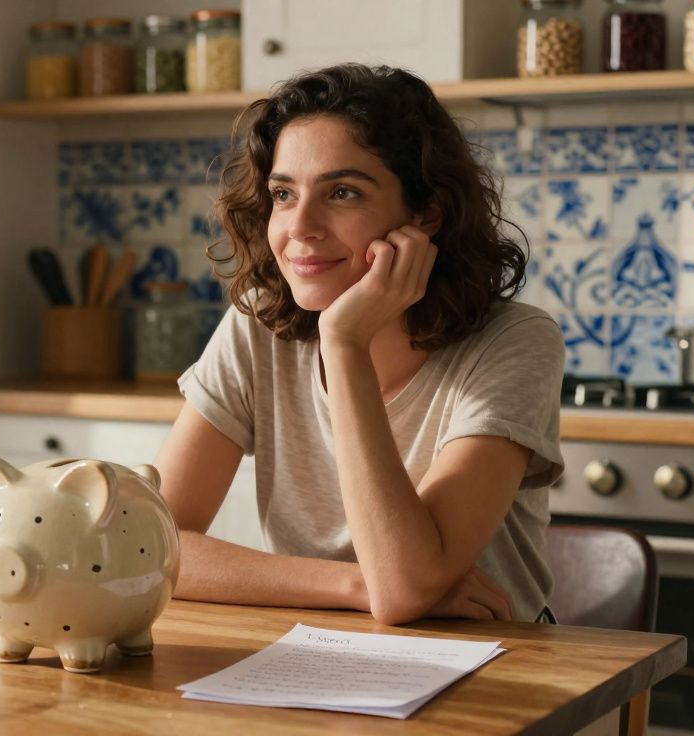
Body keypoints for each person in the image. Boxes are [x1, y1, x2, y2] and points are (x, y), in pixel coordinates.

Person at [153, 64, 565, 625]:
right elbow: (147, 542)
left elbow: (403, 588)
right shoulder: (258, 324)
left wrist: (344, 343)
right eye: (283, 193)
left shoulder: (515, 342)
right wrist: (350, 585)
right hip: (317, 656)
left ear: (427, 212)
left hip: (495, 665)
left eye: (342, 192)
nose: (300, 226)